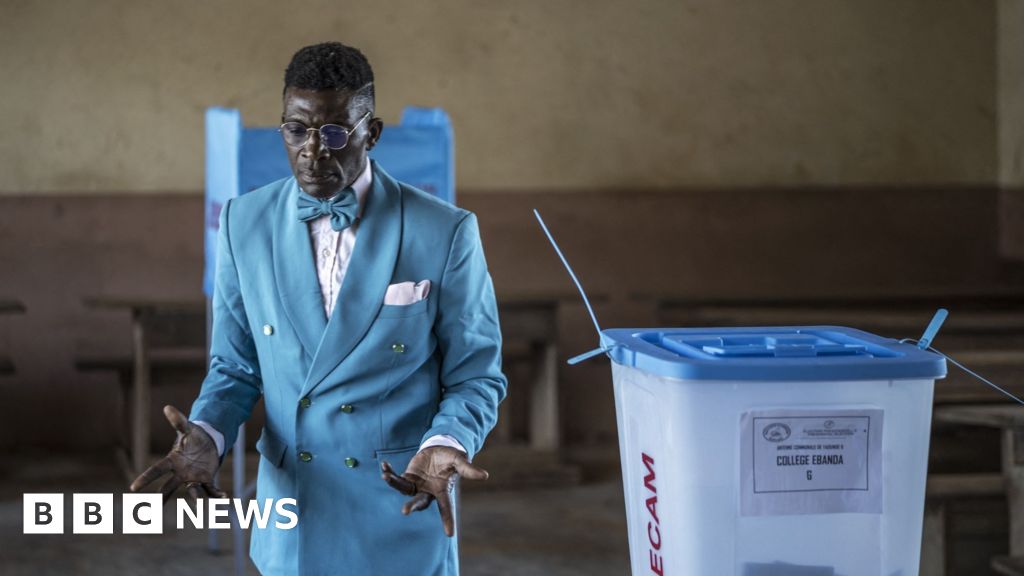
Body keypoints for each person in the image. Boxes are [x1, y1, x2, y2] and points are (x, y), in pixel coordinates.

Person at [130, 41, 507, 575]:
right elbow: (236, 366)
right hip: (294, 508)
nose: (313, 150)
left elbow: (477, 375)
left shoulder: (444, 232)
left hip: (401, 497)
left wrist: (447, 443)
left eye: (334, 132)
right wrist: (209, 433)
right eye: (296, 130)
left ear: (370, 134)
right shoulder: (244, 223)